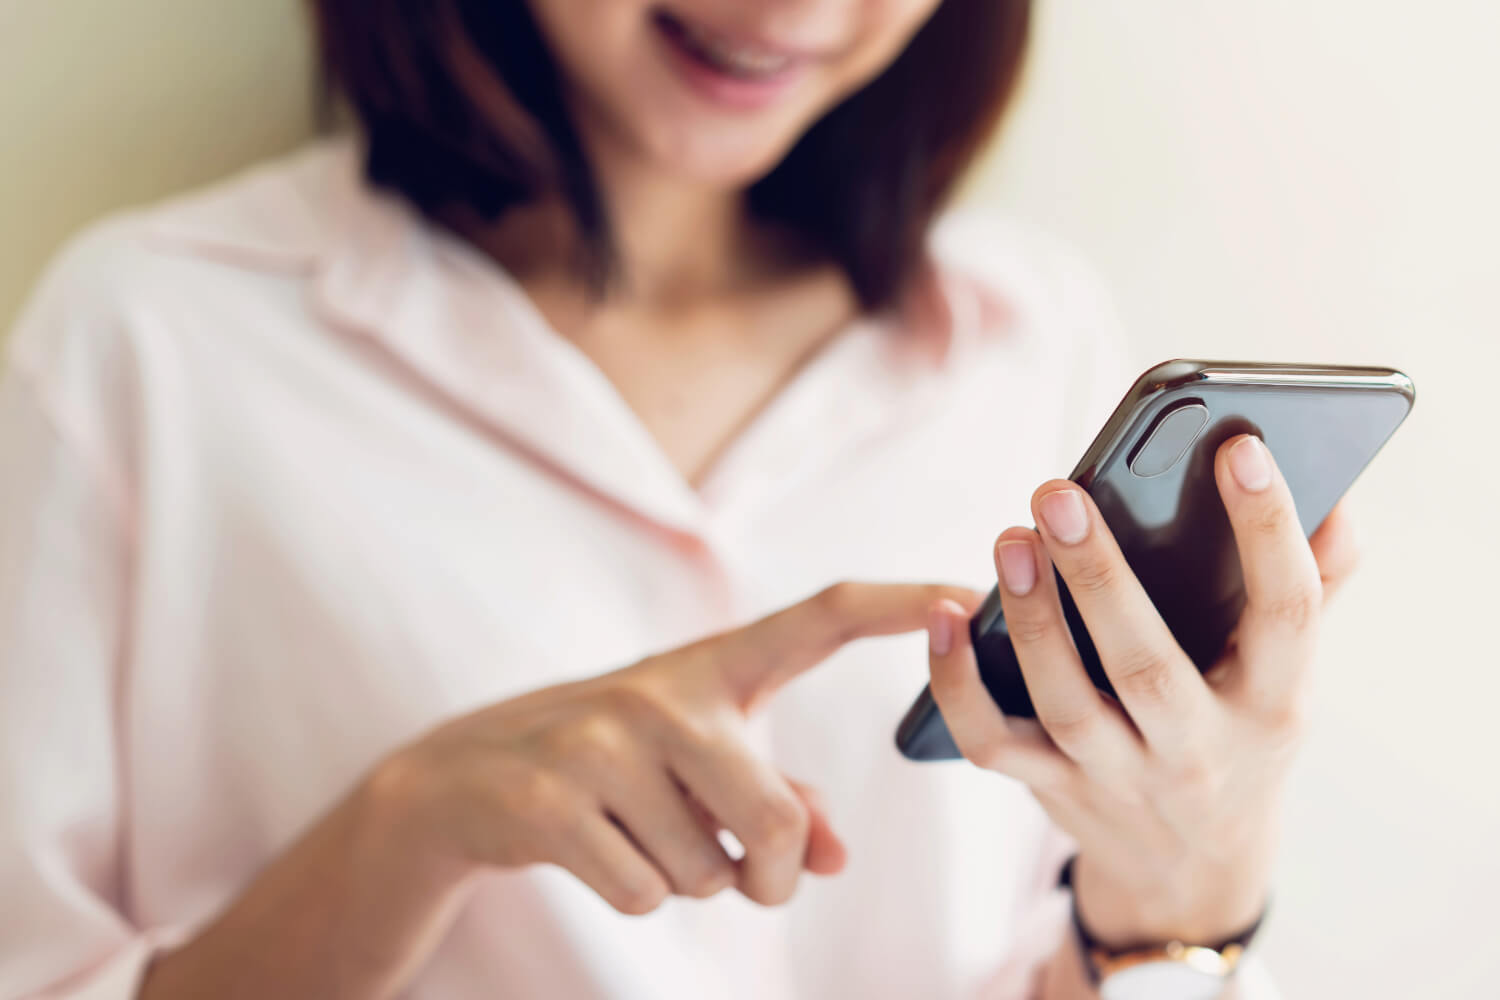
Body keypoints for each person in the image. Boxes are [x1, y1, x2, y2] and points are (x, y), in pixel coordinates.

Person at [0, 1, 1356, 997]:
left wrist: (1185, 899)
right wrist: (409, 824)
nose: (796, 11)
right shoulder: (153, 345)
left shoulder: (1025, 341)